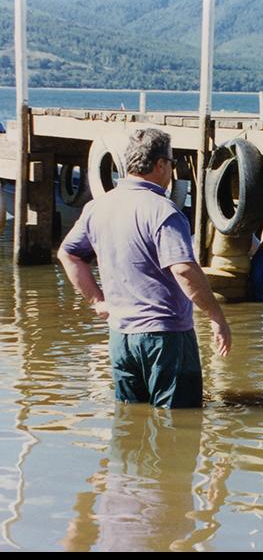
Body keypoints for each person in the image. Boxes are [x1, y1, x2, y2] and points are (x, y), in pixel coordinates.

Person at [58, 128, 231, 409]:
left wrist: (97, 301)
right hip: (165, 335)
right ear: (160, 164)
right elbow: (183, 270)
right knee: (178, 425)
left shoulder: (96, 207)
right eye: (172, 164)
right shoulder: (164, 210)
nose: (172, 171)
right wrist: (216, 317)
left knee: (129, 422)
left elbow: (69, 254)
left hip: (120, 336)